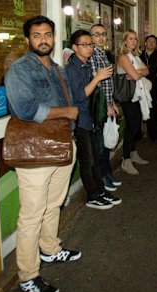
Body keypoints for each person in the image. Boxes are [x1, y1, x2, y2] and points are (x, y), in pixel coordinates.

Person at [5, 15, 81, 292]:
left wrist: (70, 124)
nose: (43, 40)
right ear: (27, 40)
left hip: (62, 145)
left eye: (47, 34)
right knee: (31, 215)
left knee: (54, 204)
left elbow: (68, 103)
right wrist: (66, 113)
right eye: (37, 35)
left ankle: (50, 249)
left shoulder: (58, 69)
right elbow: (25, 108)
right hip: (34, 153)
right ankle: (28, 276)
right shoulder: (19, 69)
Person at [66, 29, 122, 210]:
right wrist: (97, 77)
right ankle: (92, 196)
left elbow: (94, 94)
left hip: (91, 118)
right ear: (74, 47)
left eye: (90, 44)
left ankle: (100, 190)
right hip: (81, 120)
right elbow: (80, 95)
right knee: (88, 160)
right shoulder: (72, 68)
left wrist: (107, 103)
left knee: (95, 158)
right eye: (84, 45)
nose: (89, 48)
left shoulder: (85, 65)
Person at [88, 23, 122, 192]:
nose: (101, 37)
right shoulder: (93, 55)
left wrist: (113, 102)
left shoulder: (104, 54)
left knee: (106, 144)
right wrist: (107, 105)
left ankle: (107, 173)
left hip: (108, 103)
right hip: (99, 107)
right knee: (100, 146)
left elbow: (108, 83)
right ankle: (102, 178)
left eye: (103, 34)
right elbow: (97, 84)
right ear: (91, 37)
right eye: (96, 34)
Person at [116, 29, 150, 175]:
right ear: (124, 41)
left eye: (135, 39)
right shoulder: (123, 57)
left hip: (136, 95)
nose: (133, 41)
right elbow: (136, 76)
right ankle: (126, 159)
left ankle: (133, 152)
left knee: (136, 127)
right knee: (132, 127)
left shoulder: (135, 56)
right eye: (130, 39)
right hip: (128, 96)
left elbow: (146, 71)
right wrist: (137, 73)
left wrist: (138, 72)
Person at [140, 35, 157, 143]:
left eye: (153, 42)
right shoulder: (139, 56)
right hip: (141, 87)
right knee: (140, 110)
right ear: (145, 43)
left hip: (154, 88)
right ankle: (140, 133)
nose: (151, 43)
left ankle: (153, 135)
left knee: (154, 112)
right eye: (149, 41)